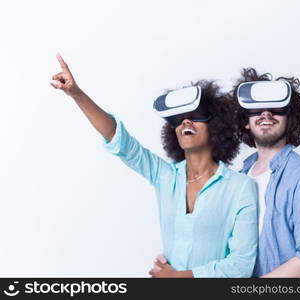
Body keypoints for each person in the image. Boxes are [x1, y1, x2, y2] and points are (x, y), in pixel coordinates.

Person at [50, 54, 258, 278]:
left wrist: (178, 278)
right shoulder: (166, 176)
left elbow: (241, 266)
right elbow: (122, 143)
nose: (185, 122)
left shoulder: (240, 187)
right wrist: (76, 94)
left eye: (196, 116)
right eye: (178, 119)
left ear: (217, 125)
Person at [233, 68, 300, 277]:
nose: (266, 114)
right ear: (246, 120)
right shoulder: (239, 176)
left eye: (276, 108)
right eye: (257, 109)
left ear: (290, 119)